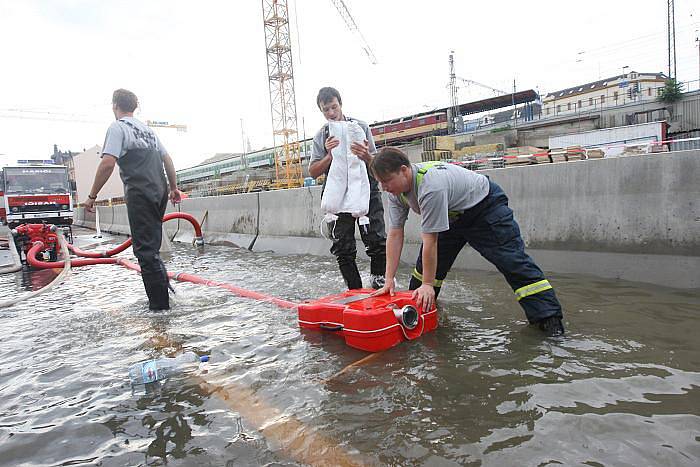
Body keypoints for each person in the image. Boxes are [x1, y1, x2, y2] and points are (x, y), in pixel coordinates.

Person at [369, 147, 565, 335]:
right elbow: (395, 234)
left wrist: (429, 285)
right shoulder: (396, 193)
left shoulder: (430, 186)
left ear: (404, 171)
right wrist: (388, 280)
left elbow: (431, 240)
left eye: (387, 181)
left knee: (512, 261)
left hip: (484, 208)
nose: (384, 188)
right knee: (422, 276)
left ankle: (549, 320)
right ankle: (416, 318)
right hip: (451, 214)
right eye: (380, 183)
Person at [84, 89, 182, 310]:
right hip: (159, 191)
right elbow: (167, 159)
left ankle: (160, 311)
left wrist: (92, 196)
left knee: (145, 252)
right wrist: (173, 188)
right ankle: (169, 298)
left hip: (140, 192)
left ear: (114, 106)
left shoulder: (118, 127)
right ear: (134, 107)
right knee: (152, 250)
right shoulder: (148, 130)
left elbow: (108, 163)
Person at [309, 87, 387, 290]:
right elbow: (313, 172)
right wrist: (329, 155)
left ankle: (379, 286)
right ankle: (354, 290)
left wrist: (366, 155)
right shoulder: (322, 135)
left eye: (334, 107)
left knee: (377, 241)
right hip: (336, 192)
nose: (331, 113)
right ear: (321, 111)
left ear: (340, 104)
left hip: (365, 187)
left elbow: (375, 162)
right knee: (342, 247)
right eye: (326, 110)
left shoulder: (360, 126)